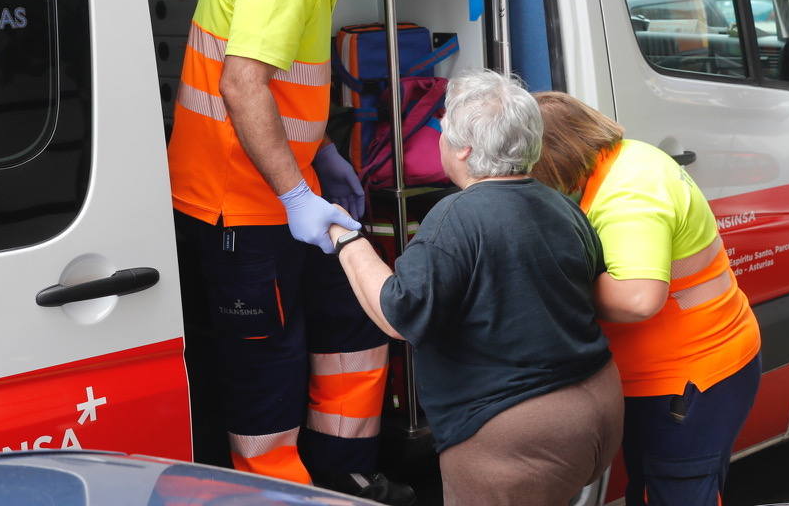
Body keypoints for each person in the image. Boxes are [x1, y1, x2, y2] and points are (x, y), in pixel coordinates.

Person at [168, 0, 418, 504]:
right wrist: (295, 193)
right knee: (265, 370)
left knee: (354, 325)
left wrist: (323, 155)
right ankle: (272, 494)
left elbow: (279, 91)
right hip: (242, 210)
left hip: (282, 195)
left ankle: (345, 475)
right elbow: (242, 84)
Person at [326, 70, 623, 506]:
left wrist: (347, 241)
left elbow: (400, 314)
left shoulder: (456, 217)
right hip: (596, 408)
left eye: (442, 133)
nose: (441, 143)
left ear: (464, 149)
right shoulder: (561, 204)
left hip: (518, 434)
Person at [532, 94, 762, 506]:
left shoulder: (628, 196)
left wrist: (548, 286)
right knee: (657, 489)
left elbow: (638, 298)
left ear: (552, 158)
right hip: (696, 367)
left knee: (678, 493)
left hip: (686, 380)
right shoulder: (628, 156)